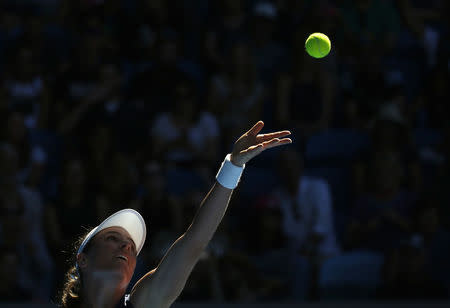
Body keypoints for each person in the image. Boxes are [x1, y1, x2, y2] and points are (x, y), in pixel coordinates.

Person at [59, 120, 292, 308]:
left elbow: (194, 242)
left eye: (131, 246)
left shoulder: (144, 303)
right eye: (112, 239)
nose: (126, 247)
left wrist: (232, 166)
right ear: (83, 260)